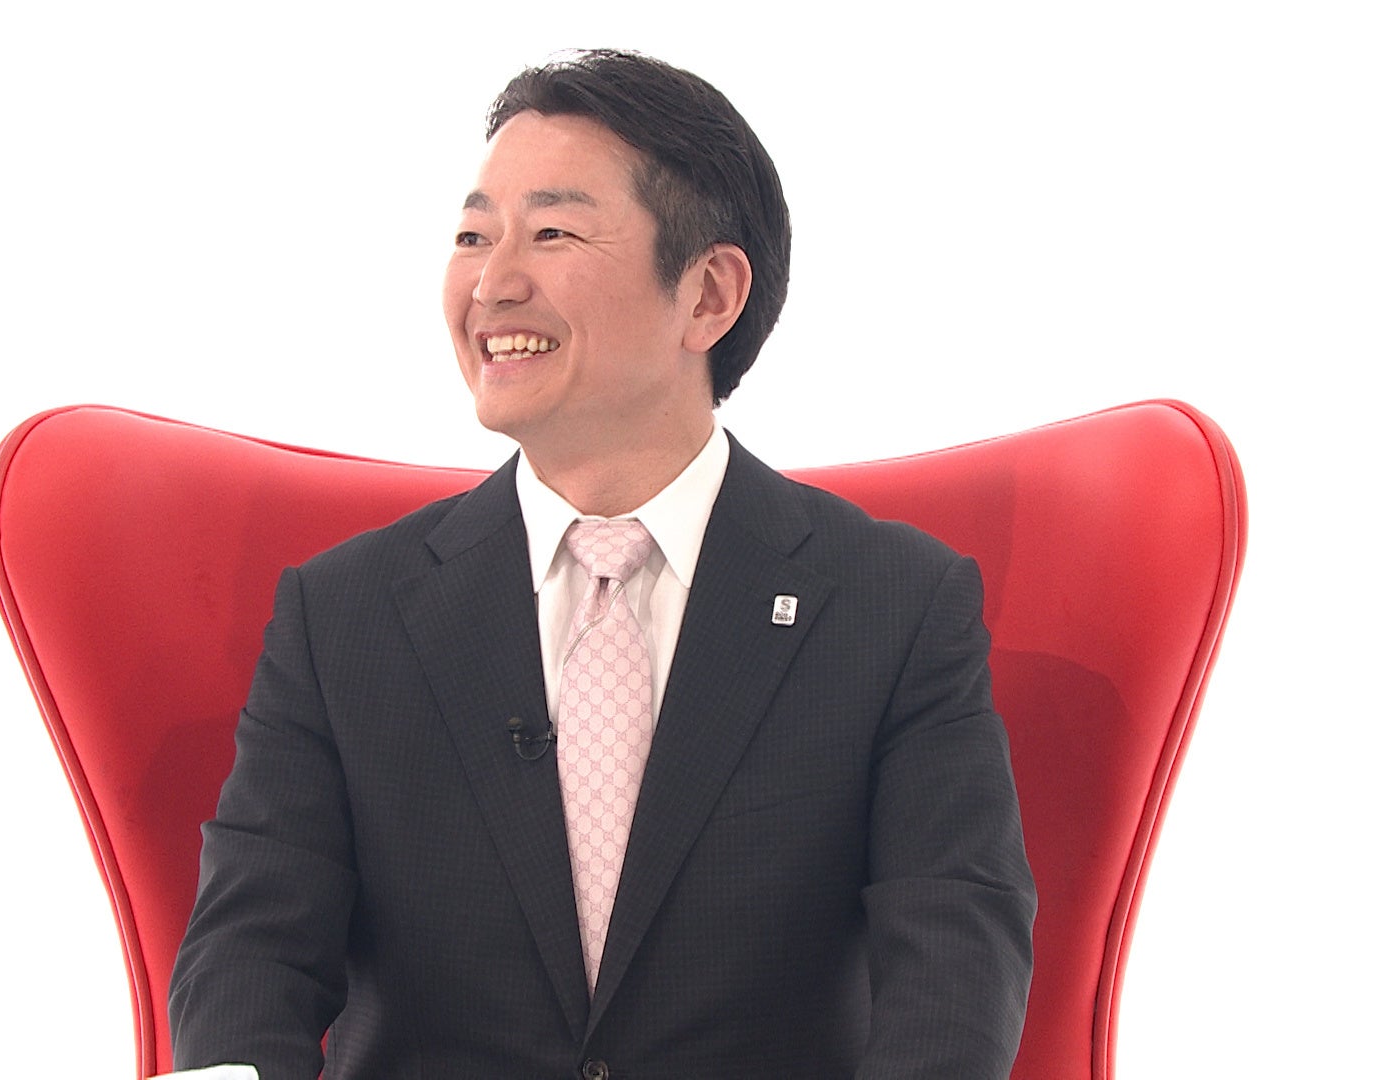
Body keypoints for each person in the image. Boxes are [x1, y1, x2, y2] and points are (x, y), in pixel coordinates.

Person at [169, 49, 1035, 1079]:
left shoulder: (893, 607)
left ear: (708, 295)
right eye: (472, 236)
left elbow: (954, 968)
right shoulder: (343, 615)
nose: (493, 283)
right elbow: (248, 962)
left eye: (552, 233)